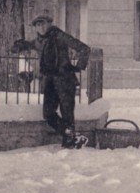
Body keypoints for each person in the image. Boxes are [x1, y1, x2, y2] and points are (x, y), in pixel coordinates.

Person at [12, 14, 90, 149]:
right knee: (48, 113)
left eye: (43, 24)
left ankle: (70, 143)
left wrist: (77, 67)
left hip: (64, 80)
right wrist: (21, 45)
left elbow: (84, 48)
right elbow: (31, 44)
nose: (41, 27)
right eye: (37, 25)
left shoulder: (59, 36)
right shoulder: (40, 40)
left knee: (67, 113)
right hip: (50, 82)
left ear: (49, 24)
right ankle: (71, 135)